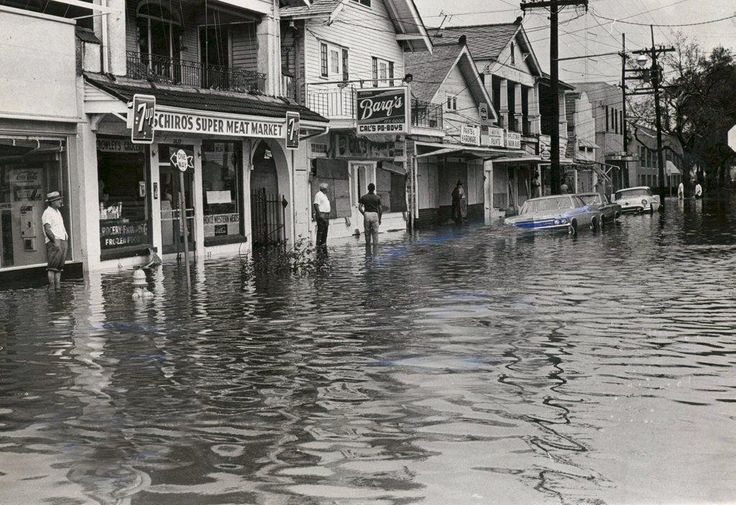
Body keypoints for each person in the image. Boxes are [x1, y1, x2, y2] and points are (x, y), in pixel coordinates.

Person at [42, 191, 68, 288]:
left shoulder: (57, 212)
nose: (60, 201)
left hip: (61, 240)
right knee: (52, 267)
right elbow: (47, 229)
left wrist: (65, 236)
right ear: (52, 202)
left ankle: (58, 287)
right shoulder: (47, 213)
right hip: (54, 241)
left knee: (59, 267)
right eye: (58, 200)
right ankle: (52, 287)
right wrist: (54, 240)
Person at [358, 183, 382, 253]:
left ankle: (368, 250)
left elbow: (359, 207)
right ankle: (375, 250)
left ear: (368, 188)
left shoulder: (363, 197)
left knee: (367, 233)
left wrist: (364, 214)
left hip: (367, 214)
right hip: (375, 214)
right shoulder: (377, 198)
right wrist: (380, 219)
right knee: (375, 233)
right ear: (374, 189)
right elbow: (380, 209)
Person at [313, 182, 331, 247]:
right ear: (324, 189)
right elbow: (316, 204)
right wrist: (319, 214)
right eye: (327, 188)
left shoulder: (324, 195)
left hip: (326, 214)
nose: (328, 190)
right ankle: (318, 244)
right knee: (321, 229)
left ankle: (323, 243)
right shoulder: (318, 195)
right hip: (322, 214)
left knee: (325, 229)